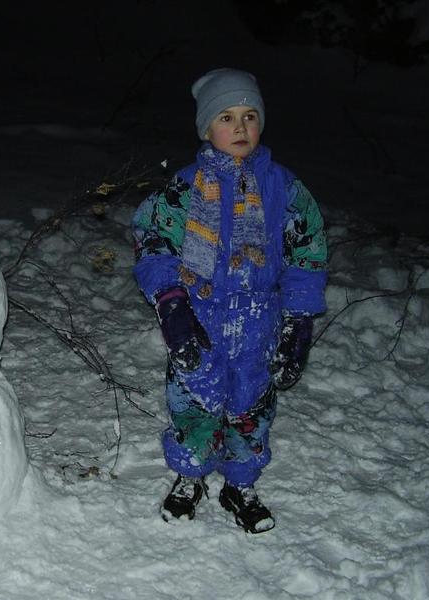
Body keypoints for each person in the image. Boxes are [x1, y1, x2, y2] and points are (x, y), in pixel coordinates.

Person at [132, 68, 328, 533]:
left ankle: (241, 484)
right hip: (199, 316)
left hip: (259, 320)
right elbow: (153, 241)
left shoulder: (283, 187)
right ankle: (190, 476)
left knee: (251, 406)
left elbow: (307, 251)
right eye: (226, 117)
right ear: (206, 128)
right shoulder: (184, 189)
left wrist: (299, 320)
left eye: (249, 116)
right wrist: (172, 304)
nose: (240, 127)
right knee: (193, 400)